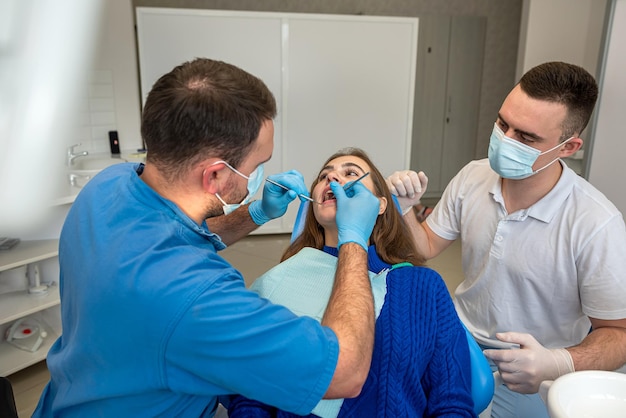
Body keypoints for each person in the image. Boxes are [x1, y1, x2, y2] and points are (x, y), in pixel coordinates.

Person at [32, 58, 383, 417]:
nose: (257, 175)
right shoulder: (196, 298)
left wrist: (257, 212)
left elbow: (174, 235)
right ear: (215, 176)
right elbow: (345, 372)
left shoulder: (110, 184)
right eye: (255, 166)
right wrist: (354, 238)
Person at [387, 61, 626, 417]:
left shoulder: (595, 223)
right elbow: (424, 247)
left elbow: (619, 333)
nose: (504, 141)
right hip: (459, 339)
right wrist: (404, 210)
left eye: (526, 137)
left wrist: (556, 363)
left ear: (568, 146)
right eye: (502, 124)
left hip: (535, 370)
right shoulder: (473, 176)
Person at [228, 147, 476, 417]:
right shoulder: (278, 281)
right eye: (324, 176)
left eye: (350, 173)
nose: (332, 179)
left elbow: (452, 401)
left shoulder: (423, 285)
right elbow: (251, 397)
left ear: (380, 204)